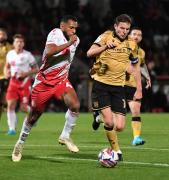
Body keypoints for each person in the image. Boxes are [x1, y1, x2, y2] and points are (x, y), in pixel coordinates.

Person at [12, 15, 80, 162]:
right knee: (34, 115)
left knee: (75, 105)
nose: (74, 30)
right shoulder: (55, 33)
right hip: (43, 82)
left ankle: (65, 136)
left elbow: (67, 61)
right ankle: (20, 143)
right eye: (71, 27)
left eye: (75, 28)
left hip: (61, 81)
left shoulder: (76, 40)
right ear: (63, 26)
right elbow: (49, 52)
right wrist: (68, 43)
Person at [87, 14, 142, 161]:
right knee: (110, 122)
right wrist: (105, 47)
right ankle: (116, 151)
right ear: (115, 26)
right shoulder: (105, 36)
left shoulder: (132, 44)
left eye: (127, 29)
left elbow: (135, 65)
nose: (124, 31)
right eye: (121, 28)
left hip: (119, 87)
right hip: (101, 85)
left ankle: (98, 118)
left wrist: (139, 88)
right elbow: (89, 53)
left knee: (120, 127)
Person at [4, 34, 39, 135]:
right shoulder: (10, 54)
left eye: (21, 42)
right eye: (17, 42)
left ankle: (33, 115)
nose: (19, 44)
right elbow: (7, 66)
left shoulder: (28, 55)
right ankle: (12, 129)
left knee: (23, 107)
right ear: (13, 43)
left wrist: (26, 73)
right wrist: (6, 72)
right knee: (10, 106)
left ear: (23, 44)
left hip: (24, 83)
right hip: (13, 82)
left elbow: (36, 69)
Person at [125, 27, 151, 145]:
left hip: (133, 85)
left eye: (139, 35)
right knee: (116, 121)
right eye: (134, 34)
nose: (136, 36)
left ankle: (136, 138)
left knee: (136, 111)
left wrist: (147, 77)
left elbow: (142, 65)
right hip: (118, 84)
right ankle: (98, 115)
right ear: (129, 35)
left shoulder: (141, 52)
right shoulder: (122, 48)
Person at [0, 28, 13, 123]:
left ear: (6, 36)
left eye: (3, 34)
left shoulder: (11, 47)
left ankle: (4, 107)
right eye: (0, 34)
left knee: (3, 102)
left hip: (5, 76)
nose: (2, 36)